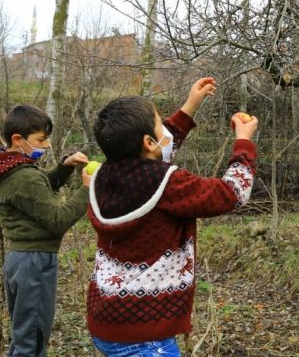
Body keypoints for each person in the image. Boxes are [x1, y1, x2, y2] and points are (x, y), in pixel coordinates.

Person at [86, 77, 258, 357]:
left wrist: (191, 105)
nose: (165, 128)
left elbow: (156, 150)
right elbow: (233, 192)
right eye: (159, 124)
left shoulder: (104, 176)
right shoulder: (169, 184)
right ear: (147, 141)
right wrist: (243, 141)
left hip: (107, 323)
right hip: (146, 338)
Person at [0, 104, 91, 357]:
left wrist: (65, 167)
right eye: (41, 139)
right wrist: (87, 190)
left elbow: (35, 194)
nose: (47, 145)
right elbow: (57, 219)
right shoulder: (24, 176)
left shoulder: (6, 168)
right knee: (32, 343)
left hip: (20, 261)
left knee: (24, 337)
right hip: (34, 263)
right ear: (18, 140)